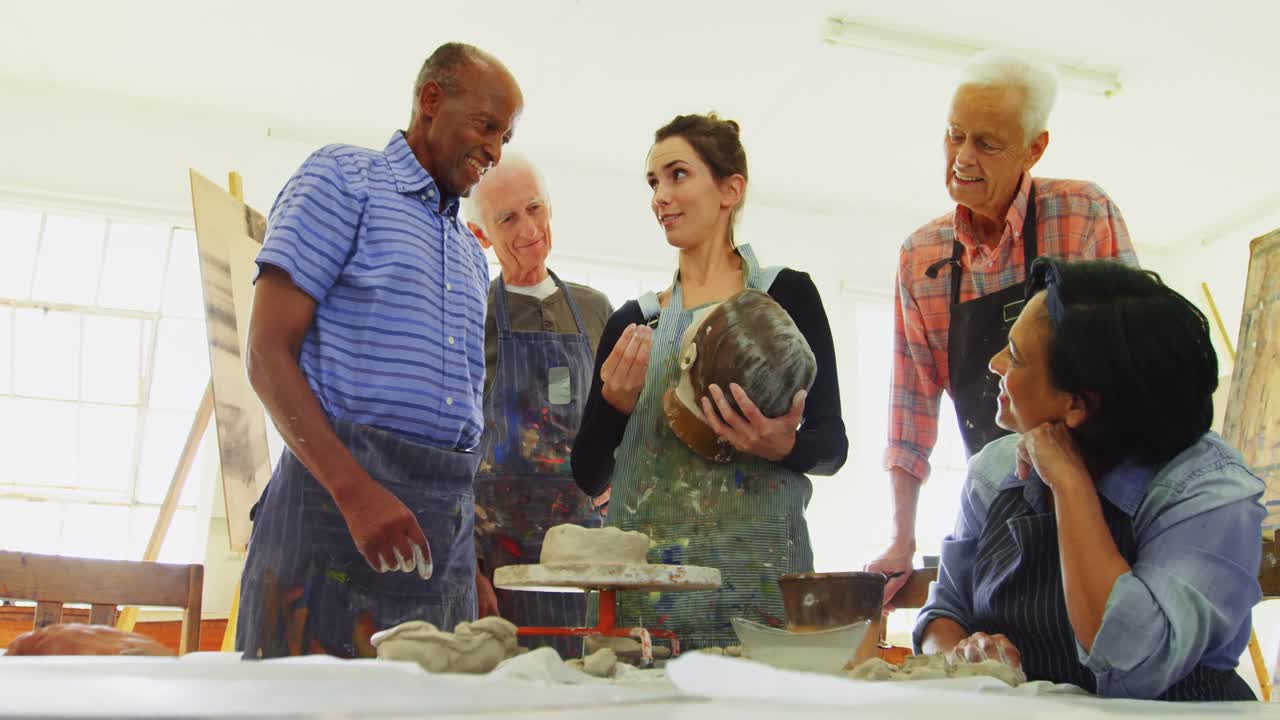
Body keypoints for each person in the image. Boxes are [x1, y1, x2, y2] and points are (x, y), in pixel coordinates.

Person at [235, 43, 523, 658]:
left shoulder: (473, 255)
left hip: (439, 542)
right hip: (331, 513)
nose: (495, 151)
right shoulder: (343, 179)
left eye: (506, 135)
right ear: (431, 101)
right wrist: (355, 491)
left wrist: (464, 555)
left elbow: (459, 422)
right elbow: (266, 353)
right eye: (487, 125)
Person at [915, 257, 1265, 700]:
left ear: (1078, 405)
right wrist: (962, 657)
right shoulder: (993, 470)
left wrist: (1069, 483)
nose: (995, 362)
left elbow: (1133, 666)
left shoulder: (1209, 491)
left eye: (1017, 356)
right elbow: (945, 611)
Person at [571, 113, 848, 649]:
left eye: (677, 175)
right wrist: (612, 405)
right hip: (647, 599)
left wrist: (782, 444)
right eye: (653, 182)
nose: (660, 196)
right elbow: (589, 472)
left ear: (730, 189)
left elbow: (832, 447)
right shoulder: (633, 322)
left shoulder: (786, 296)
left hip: (761, 587)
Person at [869, 51, 1139, 601]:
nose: (962, 158)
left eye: (987, 143)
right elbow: (910, 409)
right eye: (953, 135)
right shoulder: (921, 256)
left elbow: (1137, 364)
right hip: (1000, 502)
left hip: (1100, 497)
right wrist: (901, 537)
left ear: (1034, 147)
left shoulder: (1084, 216)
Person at [462, 153, 613, 657]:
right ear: (481, 235)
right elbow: (452, 449)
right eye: (507, 218)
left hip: (581, 553)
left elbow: (615, 427)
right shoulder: (470, 314)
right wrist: (466, 564)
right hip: (495, 559)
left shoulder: (596, 309)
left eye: (535, 208)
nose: (529, 228)